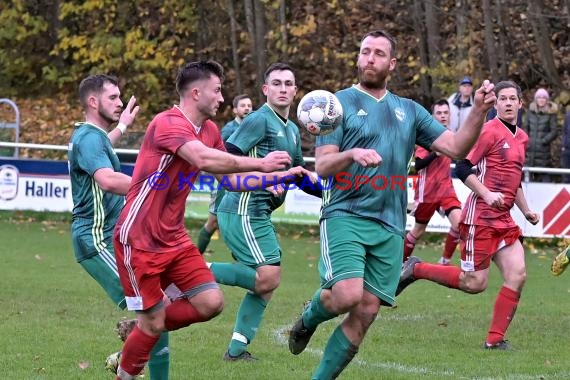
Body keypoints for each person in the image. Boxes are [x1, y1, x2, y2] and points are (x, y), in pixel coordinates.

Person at [287, 29, 496, 380]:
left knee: (366, 311)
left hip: (389, 225)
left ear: (392, 63)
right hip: (345, 215)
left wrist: (477, 110)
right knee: (347, 295)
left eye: (378, 53)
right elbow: (322, 165)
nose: (369, 58)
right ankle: (309, 317)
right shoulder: (334, 105)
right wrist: (351, 153)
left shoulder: (409, 111)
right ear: (357, 57)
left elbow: (457, 147)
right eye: (365, 51)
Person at [111, 60, 308, 380]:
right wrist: (261, 164)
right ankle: (131, 359)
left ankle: (142, 329)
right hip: (139, 238)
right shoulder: (167, 123)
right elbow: (202, 158)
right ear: (195, 92)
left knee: (211, 302)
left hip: (174, 237)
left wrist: (278, 176)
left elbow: (230, 180)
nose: (222, 97)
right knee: (154, 323)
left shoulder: (212, 130)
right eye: (217, 91)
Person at [398, 80, 540, 350]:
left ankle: (494, 340)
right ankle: (416, 269)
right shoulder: (488, 131)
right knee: (474, 283)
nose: (508, 103)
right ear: (495, 104)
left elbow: (515, 179)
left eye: (513, 99)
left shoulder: (522, 137)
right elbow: (462, 168)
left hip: (504, 220)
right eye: (503, 99)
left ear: (521, 103)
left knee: (518, 275)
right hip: (481, 218)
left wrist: (526, 210)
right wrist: (486, 194)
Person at [209, 62, 320, 361]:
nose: (283, 88)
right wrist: (263, 170)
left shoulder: (293, 130)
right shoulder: (259, 120)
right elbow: (226, 158)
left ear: (296, 91)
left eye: (288, 84)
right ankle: (192, 272)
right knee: (268, 276)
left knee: (265, 284)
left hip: (258, 214)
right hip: (242, 209)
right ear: (265, 89)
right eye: (277, 83)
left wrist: (329, 192)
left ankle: (236, 350)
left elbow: (297, 174)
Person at [68, 74, 171, 379]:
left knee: (158, 305)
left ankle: (128, 352)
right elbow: (108, 179)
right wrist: (151, 189)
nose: (120, 101)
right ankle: (129, 358)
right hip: (95, 239)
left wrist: (122, 126)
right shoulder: (88, 138)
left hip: (112, 238)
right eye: (113, 97)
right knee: (157, 308)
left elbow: (102, 148)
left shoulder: (91, 137)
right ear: (92, 101)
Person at [404, 99, 462, 265]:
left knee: (460, 224)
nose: (443, 116)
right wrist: (435, 153)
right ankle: (400, 263)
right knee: (418, 231)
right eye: (439, 113)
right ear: (432, 116)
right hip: (427, 192)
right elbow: (420, 165)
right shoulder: (427, 136)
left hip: (446, 190)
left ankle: (445, 260)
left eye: (446, 113)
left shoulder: (450, 135)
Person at [196, 94, 253, 254]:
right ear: (235, 110)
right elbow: (216, 154)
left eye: (249, 105)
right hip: (225, 181)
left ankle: (243, 261)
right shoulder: (229, 130)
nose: (247, 108)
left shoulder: (255, 129)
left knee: (241, 221)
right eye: (243, 106)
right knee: (213, 222)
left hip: (245, 182)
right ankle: (195, 257)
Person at [524, 88, 559, 182]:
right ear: (536, 99)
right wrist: (528, 141)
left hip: (544, 152)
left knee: (544, 177)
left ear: (547, 100)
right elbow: (525, 128)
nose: (541, 99)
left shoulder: (551, 114)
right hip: (530, 151)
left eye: (544, 97)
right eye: (539, 97)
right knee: (528, 179)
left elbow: (554, 131)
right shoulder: (530, 113)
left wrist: (543, 141)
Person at [562, 109, 570, 183]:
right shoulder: (568, 115)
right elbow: (564, 131)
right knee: (566, 177)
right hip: (567, 149)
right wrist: (564, 145)